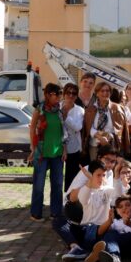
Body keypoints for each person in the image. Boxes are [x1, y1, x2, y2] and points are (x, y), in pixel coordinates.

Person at [29, 82, 67, 222]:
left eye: (59, 94)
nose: (58, 97)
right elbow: (32, 128)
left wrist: (64, 150)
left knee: (57, 185)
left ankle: (55, 213)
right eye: (56, 94)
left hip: (57, 153)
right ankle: (36, 213)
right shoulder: (39, 110)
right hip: (42, 153)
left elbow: (63, 133)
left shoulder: (59, 111)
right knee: (39, 184)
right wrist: (33, 148)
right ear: (48, 95)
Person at [83, 82, 130, 161]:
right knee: (97, 169)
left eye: (107, 91)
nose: (105, 93)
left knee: (113, 169)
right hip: (95, 145)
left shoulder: (118, 108)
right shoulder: (90, 109)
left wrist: (109, 137)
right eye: (102, 91)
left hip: (112, 145)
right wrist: (99, 137)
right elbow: (87, 127)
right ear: (97, 93)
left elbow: (121, 129)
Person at [61, 83, 85, 191]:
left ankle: (68, 201)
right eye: (68, 93)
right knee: (57, 178)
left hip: (73, 148)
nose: (70, 95)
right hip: (58, 147)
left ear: (76, 96)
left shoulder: (79, 110)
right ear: (64, 94)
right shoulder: (57, 107)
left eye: (74, 93)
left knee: (71, 177)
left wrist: (66, 117)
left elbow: (78, 127)